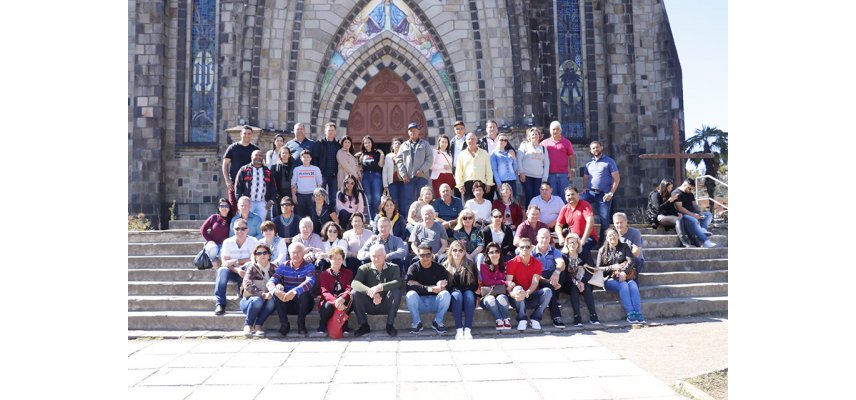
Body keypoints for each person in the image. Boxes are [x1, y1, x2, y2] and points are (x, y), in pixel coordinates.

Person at [351, 244, 403, 337]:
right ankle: (364, 325)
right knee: (355, 293)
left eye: (379, 256)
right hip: (369, 304)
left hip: (386, 304)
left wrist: (381, 287)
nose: (376, 259)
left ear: (385, 256)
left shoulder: (394, 267)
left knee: (396, 292)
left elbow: (398, 282)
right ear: (370, 257)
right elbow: (355, 283)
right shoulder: (363, 268)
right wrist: (371, 292)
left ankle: (390, 325)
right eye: (374, 256)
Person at [267, 241, 317, 336]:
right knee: (277, 294)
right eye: (293, 252)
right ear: (289, 254)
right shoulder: (283, 266)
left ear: (303, 253)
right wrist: (275, 290)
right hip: (287, 301)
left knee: (304, 294)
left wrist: (294, 291)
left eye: (298, 252)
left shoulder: (309, 266)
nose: (296, 255)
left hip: (303, 304)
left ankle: (301, 324)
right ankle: (284, 324)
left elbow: (310, 282)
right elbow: (270, 282)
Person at [597, 227, 644, 323]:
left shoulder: (624, 246)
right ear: (606, 238)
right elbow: (598, 269)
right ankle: (630, 314)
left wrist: (623, 271)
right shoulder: (602, 250)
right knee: (623, 285)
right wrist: (611, 267)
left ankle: (638, 314)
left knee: (633, 285)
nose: (612, 237)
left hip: (624, 276)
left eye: (614, 234)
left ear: (618, 236)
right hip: (609, 280)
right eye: (610, 235)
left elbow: (631, 261)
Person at [213, 218, 259, 315]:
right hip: (233, 272)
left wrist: (236, 261)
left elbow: (255, 260)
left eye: (243, 229)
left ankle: (246, 296)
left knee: (250, 266)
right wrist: (237, 270)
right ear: (233, 229)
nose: (240, 231)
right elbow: (225, 263)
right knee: (222, 271)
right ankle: (220, 303)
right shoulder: (227, 242)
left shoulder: (253, 241)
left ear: (248, 229)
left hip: (248, 272)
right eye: (237, 229)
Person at [505, 238, 551, 331]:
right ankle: (522, 318)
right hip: (517, 298)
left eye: (527, 247)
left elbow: (535, 282)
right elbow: (508, 284)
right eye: (522, 247)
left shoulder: (537, 263)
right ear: (518, 248)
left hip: (530, 295)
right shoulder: (512, 263)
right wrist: (512, 294)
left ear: (532, 248)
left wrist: (527, 293)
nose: (525, 249)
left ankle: (535, 318)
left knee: (548, 291)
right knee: (518, 288)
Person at [404, 244, 451, 335]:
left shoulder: (439, 268)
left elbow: (445, 287)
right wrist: (432, 288)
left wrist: (419, 285)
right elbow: (409, 287)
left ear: (432, 254)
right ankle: (416, 323)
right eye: (422, 255)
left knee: (445, 294)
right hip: (419, 303)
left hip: (435, 302)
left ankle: (438, 321)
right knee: (410, 294)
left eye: (428, 254)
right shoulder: (413, 268)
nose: (425, 257)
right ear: (418, 256)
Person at [580, 140, 620, 245]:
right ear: (590, 150)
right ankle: (578, 236)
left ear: (601, 148)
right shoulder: (588, 163)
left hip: (604, 195)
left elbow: (617, 179)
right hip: (591, 193)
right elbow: (585, 177)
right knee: (577, 202)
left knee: (604, 219)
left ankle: (603, 243)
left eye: (597, 147)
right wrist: (584, 187)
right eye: (593, 148)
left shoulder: (609, 161)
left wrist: (611, 193)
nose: (595, 149)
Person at [559, 234, 599, 326]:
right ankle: (577, 316)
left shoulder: (584, 253)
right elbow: (565, 273)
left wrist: (583, 282)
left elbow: (590, 269)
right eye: (570, 243)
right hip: (568, 283)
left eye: (575, 242)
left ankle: (594, 315)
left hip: (582, 280)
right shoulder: (563, 256)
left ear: (578, 244)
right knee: (574, 287)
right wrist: (576, 282)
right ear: (566, 244)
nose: (572, 245)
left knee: (587, 287)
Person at [239, 243, 277, 337]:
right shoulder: (252, 268)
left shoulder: (274, 268)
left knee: (272, 301)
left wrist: (279, 285)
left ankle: (258, 325)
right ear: (255, 256)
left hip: (266, 303)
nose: (262, 255)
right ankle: (248, 325)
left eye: (265, 253)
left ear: (269, 255)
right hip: (249, 302)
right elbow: (248, 285)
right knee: (257, 300)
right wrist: (263, 294)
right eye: (259, 253)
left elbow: (280, 280)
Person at [531, 228, 567, 329]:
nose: (544, 240)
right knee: (550, 286)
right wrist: (548, 281)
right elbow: (532, 273)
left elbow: (561, 263)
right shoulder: (532, 252)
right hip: (539, 278)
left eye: (547, 237)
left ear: (550, 238)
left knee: (562, 271)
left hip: (552, 277)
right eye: (542, 237)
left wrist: (557, 272)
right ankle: (556, 316)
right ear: (537, 238)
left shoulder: (554, 250)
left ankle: (553, 298)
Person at [443, 241, 479, 339]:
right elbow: (446, 286)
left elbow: (474, 285)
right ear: (450, 251)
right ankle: (459, 329)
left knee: (469, 295)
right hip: (454, 295)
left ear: (464, 252)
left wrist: (466, 289)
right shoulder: (445, 265)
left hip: (468, 291)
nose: (457, 253)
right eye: (454, 250)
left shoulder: (470, 264)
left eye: (460, 250)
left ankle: (467, 329)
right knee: (456, 295)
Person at [395, 123, 433, 212]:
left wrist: (422, 170)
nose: (413, 132)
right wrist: (403, 174)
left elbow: (430, 159)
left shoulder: (425, 144)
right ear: (408, 133)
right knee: (408, 200)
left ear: (418, 131)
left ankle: (423, 217)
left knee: (423, 199)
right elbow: (399, 160)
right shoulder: (403, 145)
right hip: (408, 177)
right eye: (411, 131)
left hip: (422, 177)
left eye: (414, 130)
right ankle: (408, 220)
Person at [222, 125, 260, 212]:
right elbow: (225, 164)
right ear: (240, 134)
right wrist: (227, 181)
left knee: (249, 208)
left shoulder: (255, 149)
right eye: (245, 133)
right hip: (234, 183)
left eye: (249, 134)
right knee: (233, 207)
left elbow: (261, 166)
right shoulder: (232, 148)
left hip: (251, 184)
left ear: (252, 135)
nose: (247, 135)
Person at [316, 247, 354, 335]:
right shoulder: (324, 274)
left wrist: (343, 298)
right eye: (334, 258)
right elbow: (324, 291)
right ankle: (323, 323)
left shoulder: (348, 273)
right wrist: (335, 301)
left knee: (350, 301)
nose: (337, 261)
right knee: (328, 306)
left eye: (339, 259)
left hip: (343, 299)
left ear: (343, 260)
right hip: (330, 301)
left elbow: (349, 288)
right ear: (330, 259)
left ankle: (344, 324)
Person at [673, 178, 717, 248]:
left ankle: (702, 230)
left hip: (693, 214)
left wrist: (700, 213)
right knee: (693, 219)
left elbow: (695, 205)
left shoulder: (690, 194)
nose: (690, 191)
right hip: (684, 216)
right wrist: (693, 215)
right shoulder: (676, 193)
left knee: (708, 215)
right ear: (685, 185)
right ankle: (706, 241)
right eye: (689, 188)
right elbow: (679, 208)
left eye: (692, 189)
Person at [646, 179, 691, 247]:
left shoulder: (667, 195)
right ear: (663, 187)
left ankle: (694, 239)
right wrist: (669, 201)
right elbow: (658, 209)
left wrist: (677, 213)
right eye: (668, 187)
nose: (670, 189)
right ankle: (684, 242)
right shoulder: (655, 194)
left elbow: (671, 208)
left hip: (666, 216)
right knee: (678, 220)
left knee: (684, 219)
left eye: (671, 187)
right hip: (657, 217)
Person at [479, 242, 512, 330]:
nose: (494, 254)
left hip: (501, 293)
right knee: (491, 300)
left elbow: (492, 281)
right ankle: (499, 319)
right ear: (487, 254)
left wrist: (495, 282)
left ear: (500, 253)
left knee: (501, 299)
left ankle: (506, 319)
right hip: (488, 294)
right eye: (491, 252)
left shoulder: (504, 265)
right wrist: (503, 282)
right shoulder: (484, 266)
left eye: (497, 251)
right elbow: (486, 282)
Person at [555, 186, 598, 254]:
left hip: (589, 237)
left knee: (580, 248)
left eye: (573, 194)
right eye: (568, 195)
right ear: (565, 197)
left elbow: (590, 222)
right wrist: (560, 237)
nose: (570, 196)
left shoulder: (585, 205)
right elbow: (558, 225)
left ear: (578, 194)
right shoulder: (565, 208)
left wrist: (583, 240)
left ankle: (589, 264)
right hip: (573, 238)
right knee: (560, 252)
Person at [234, 150, 275, 220]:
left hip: (262, 203)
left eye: (260, 155)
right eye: (256, 155)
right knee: (245, 222)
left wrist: (271, 200)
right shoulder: (244, 170)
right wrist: (240, 201)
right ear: (251, 157)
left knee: (260, 224)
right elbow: (238, 187)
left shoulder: (267, 171)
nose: (258, 157)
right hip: (248, 202)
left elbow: (273, 187)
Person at [455, 132, 494, 202]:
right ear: (466, 141)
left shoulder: (484, 153)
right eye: (469, 139)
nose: (471, 141)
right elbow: (458, 172)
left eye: (472, 139)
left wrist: (489, 183)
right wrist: (460, 185)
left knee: (482, 205)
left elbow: (488, 169)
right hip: (467, 185)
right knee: (469, 207)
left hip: (482, 183)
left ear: (476, 140)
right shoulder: (461, 155)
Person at [540, 121, 575, 198]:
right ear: (550, 131)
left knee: (565, 196)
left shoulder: (566, 142)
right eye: (553, 129)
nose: (555, 131)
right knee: (552, 196)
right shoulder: (544, 143)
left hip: (564, 174)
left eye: (557, 129)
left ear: (561, 130)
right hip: (550, 174)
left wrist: (572, 170)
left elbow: (571, 156)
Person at [517, 127, 550, 208]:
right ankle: (528, 216)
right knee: (529, 196)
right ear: (529, 136)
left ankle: (536, 215)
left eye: (536, 134)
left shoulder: (543, 148)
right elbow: (519, 159)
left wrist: (544, 178)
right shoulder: (524, 145)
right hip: (526, 176)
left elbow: (547, 163)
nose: (534, 136)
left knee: (537, 197)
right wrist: (521, 172)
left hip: (538, 177)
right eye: (532, 134)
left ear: (539, 136)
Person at [311, 122, 342, 197]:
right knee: (321, 195)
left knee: (334, 197)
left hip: (334, 175)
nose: (330, 132)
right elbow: (315, 159)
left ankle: (332, 209)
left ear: (335, 132)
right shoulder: (319, 143)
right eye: (329, 130)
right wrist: (317, 172)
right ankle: (323, 209)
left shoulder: (338, 145)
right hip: (322, 174)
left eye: (332, 130)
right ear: (325, 132)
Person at [357, 135, 384, 218]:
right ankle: (372, 219)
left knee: (377, 198)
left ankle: (378, 217)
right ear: (363, 144)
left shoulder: (376, 153)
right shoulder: (362, 155)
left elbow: (381, 164)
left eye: (369, 142)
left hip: (376, 176)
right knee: (369, 199)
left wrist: (382, 154)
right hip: (365, 177)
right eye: (365, 143)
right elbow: (357, 163)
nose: (367, 144)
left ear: (372, 143)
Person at [200, 198, 231, 269]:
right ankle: (214, 271)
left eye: (226, 206)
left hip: (224, 245)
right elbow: (203, 229)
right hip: (213, 244)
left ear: (229, 208)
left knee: (223, 255)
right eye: (222, 206)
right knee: (213, 249)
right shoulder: (214, 217)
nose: (224, 208)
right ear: (219, 208)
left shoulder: (231, 220)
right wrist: (210, 240)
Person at [291, 150, 323, 219]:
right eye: (304, 157)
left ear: (311, 158)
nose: (306, 159)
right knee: (300, 216)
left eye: (308, 157)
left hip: (312, 195)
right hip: (300, 196)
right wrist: (293, 195)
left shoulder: (316, 169)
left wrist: (317, 196)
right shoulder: (297, 169)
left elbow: (319, 184)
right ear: (301, 158)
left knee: (313, 216)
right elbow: (293, 184)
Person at [613, 212, 645, 277]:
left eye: (621, 222)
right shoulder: (613, 234)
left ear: (626, 222)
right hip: (620, 262)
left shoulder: (635, 232)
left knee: (631, 272)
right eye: (617, 223)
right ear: (614, 224)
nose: (619, 225)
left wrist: (624, 262)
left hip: (635, 261)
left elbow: (636, 252)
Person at [271, 146, 296, 219]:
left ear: (289, 155)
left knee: (290, 212)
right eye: (283, 153)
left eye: (286, 153)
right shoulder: (275, 166)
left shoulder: (294, 166)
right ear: (280, 155)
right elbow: (272, 181)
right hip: (279, 193)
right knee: (278, 212)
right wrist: (275, 193)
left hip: (290, 192)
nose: (284, 154)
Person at [383, 137, 406, 212]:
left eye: (399, 143)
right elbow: (385, 171)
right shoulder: (388, 156)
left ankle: (404, 217)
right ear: (392, 146)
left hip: (403, 181)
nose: (397, 145)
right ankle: (396, 215)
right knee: (394, 200)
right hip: (392, 182)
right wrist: (385, 185)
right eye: (395, 143)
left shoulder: (405, 155)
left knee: (403, 199)